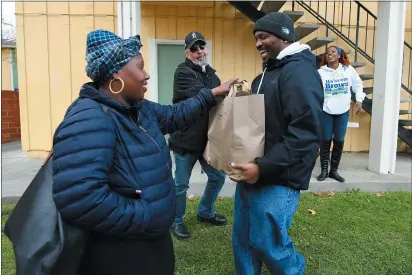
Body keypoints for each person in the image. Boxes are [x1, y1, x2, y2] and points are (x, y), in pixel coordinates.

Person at [51, 29, 237, 275]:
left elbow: (174, 115)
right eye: (140, 67)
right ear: (115, 74)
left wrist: (210, 95)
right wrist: (149, 215)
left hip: (150, 239)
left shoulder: (137, 107)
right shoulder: (89, 116)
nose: (146, 75)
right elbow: (80, 199)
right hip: (123, 250)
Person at [230, 12, 324, 275]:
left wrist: (262, 167)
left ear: (283, 36)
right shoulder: (266, 74)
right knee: (244, 241)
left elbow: (305, 134)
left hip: (278, 177)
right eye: (256, 38)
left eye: (264, 37)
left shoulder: (299, 72)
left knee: (269, 244)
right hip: (253, 172)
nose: (258, 43)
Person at [168, 31, 227, 239]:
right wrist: (221, 90)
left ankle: (205, 212)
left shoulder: (213, 75)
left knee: (218, 176)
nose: (199, 51)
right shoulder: (182, 73)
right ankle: (175, 221)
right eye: (194, 48)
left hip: (207, 141)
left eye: (202, 46)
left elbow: (220, 105)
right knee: (181, 185)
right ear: (187, 52)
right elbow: (203, 95)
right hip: (185, 141)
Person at [316, 45, 365, 182]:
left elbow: (358, 85)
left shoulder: (348, 70)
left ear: (339, 55)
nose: (329, 54)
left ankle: (334, 171)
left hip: (343, 110)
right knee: (325, 140)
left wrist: (359, 100)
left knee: (339, 140)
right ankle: (324, 171)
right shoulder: (321, 72)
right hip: (326, 110)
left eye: (333, 52)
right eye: (327, 53)